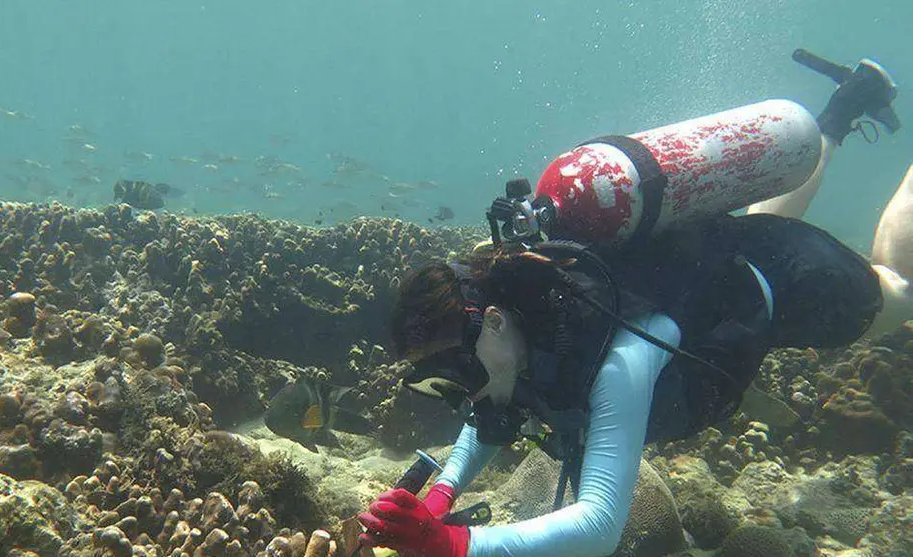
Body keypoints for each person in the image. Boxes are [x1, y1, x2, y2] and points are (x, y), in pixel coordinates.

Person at [355, 53, 910, 557]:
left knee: (898, 289)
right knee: (768, 223)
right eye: (441, 383)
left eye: (456, 373)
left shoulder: (621, 357)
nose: (463, 394)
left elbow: (599, 527)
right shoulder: (522, 325)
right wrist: (443, 491)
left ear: (493, 321)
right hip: (725, 259)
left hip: (795, 281)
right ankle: (841, 112)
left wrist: (451, 545)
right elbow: (495, 408)